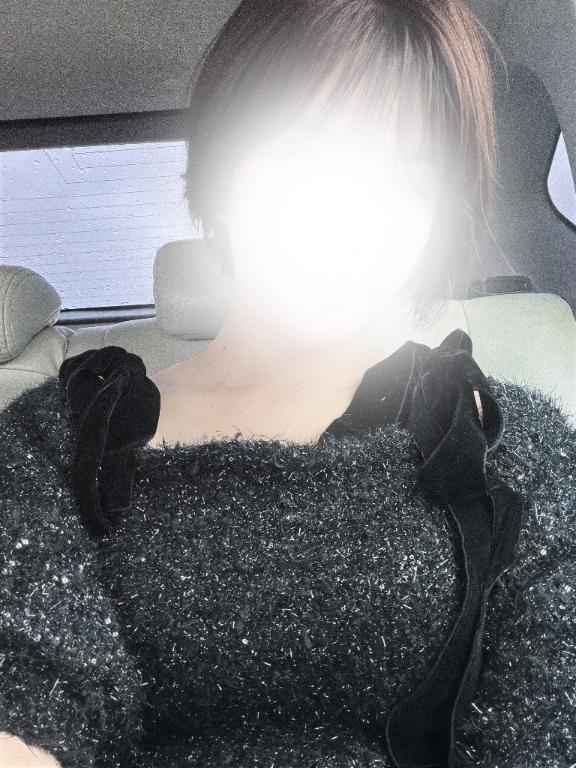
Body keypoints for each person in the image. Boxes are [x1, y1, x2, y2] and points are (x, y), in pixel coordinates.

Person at [1, 1, 575, 767]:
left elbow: (546, 720)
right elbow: (34, 695)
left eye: (404, 182)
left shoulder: (516, 449)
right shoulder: (48, 443)